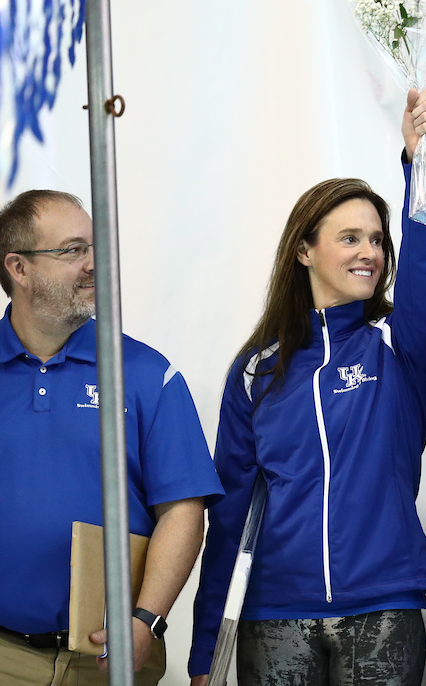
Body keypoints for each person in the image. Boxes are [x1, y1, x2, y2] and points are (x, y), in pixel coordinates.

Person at [188, 90, 426, 686]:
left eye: (377, 239)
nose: (370, 253)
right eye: (350, 238)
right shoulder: (257, 370)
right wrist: (208, 650)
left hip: (382, 610)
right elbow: (229, 517)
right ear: (304, 250)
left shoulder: (400, 346)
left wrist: (422, 164)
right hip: (274, 615)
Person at [0, 190, 222, 685]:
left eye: (96, 246)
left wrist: (147, 620)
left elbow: (184, 510)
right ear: (19, 268)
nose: (94, 263)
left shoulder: (146, 373)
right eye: (72, 250)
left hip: (111, 657)